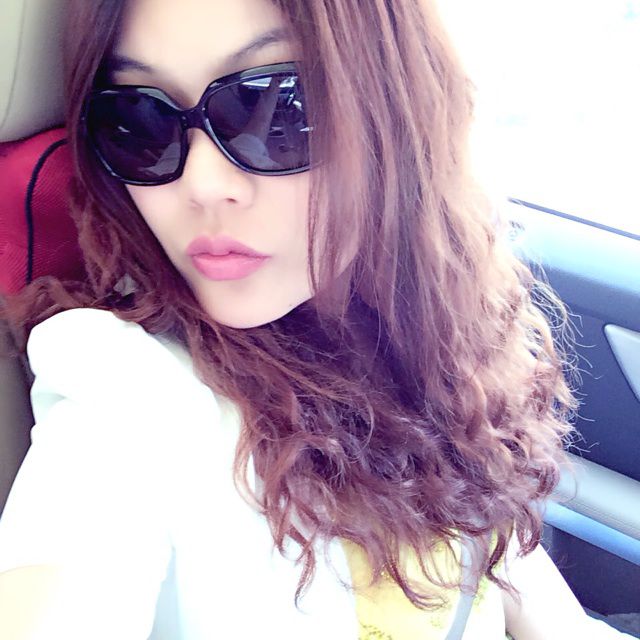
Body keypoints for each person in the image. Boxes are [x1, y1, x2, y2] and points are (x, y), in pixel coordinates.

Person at [0, 0, 633, 638]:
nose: (202, 184)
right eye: (139, 121)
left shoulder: (435, 336)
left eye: (278, 109)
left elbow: (509, 573)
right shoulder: (127, 390)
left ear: (396, 112)